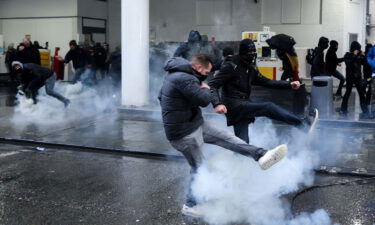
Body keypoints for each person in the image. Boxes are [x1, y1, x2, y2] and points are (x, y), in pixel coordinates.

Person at [159, 54, 288, 217]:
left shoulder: (176, 75)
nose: (207, 75)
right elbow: (204, 99)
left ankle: (261, 155)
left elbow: (161, 97)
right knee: (200, 168)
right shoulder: (184, 78)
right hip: (183, 134)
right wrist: (204, 88)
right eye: (207, 71)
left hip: (194, 123)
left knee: (228, 138)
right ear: (198, 68)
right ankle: (190, 205)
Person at [209, 39, 318, 144]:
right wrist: (217, 104)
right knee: (268, 107)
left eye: (254, 52)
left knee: (242, 142)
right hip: (234, 105)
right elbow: (212, 85)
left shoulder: (250, 68)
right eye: (250, 52)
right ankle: (303, 125)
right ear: (243, 53)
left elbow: (267, 82)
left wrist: (289, 84)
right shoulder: (231, 66)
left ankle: (241, 160)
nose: (252, 55)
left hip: (243, 104)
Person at [340, 41, 369, 117]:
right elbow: (348, 63)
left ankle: (365, 110)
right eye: (357, 49)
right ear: (354, 49)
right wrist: (354, 55)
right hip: (350, 77)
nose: (358, 50)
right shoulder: (347, 55)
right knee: (347, 93)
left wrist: (364, 56)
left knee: (362, 94)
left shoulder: (359, 56)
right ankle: (343, 109)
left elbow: (365, 63)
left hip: (358, 78)